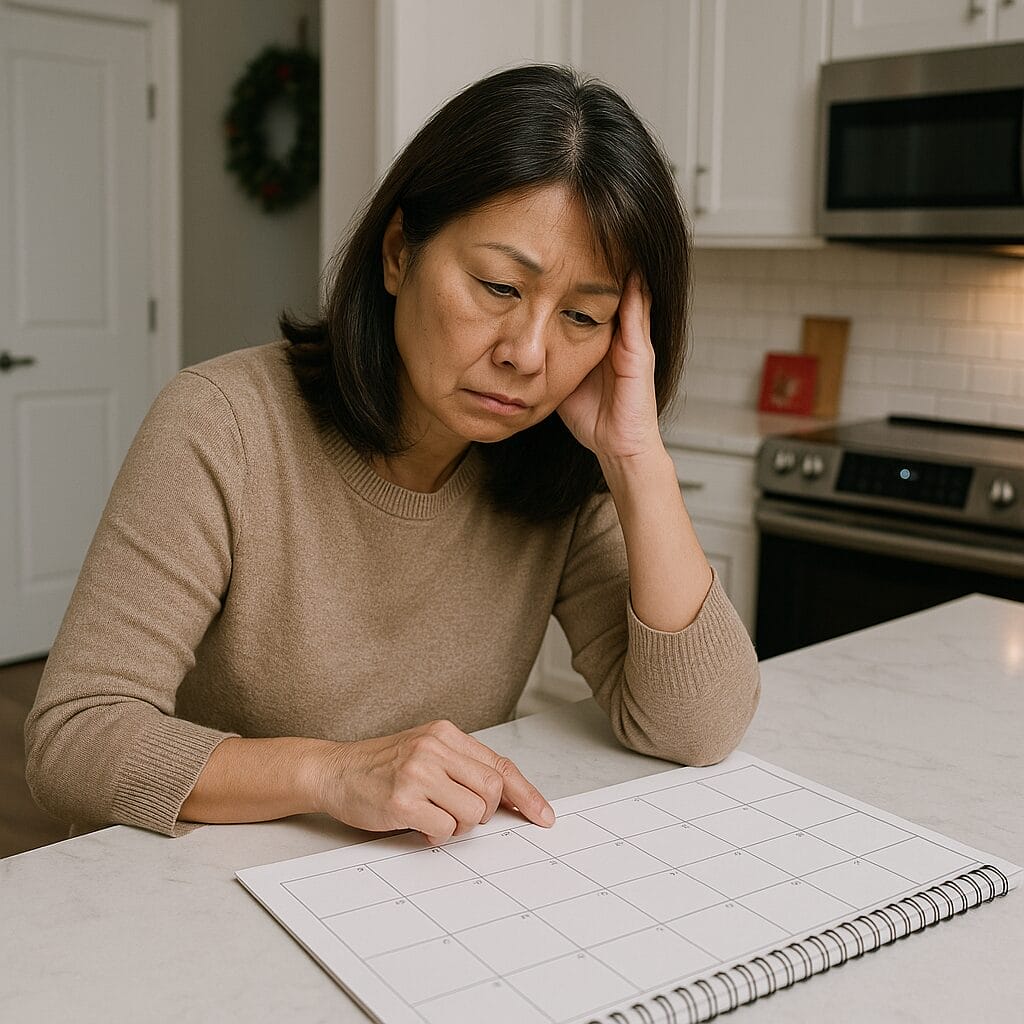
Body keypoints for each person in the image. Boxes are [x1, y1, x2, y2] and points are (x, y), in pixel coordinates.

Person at [25, 64, 759, 845]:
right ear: (400, 252)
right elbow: (74, 738)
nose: (529, 353)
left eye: (582, 314)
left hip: (425, 892)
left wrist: (639, 459)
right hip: (212, 885)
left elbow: (698, 727)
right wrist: (332, 772)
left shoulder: (555, 465)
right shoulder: (223, 424)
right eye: (500, 287)